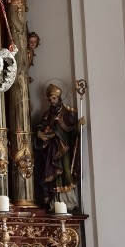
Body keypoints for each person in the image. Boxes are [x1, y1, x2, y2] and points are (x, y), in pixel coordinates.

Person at [35, 82, 81, 210]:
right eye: (50, 99)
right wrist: (39, 134)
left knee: (65, 171)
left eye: (54, 98)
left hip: (63, 148)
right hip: (50, 149)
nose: (52, 101)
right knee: (52, 174)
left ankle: (68, 201)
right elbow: (40, 126)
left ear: (59, 98)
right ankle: (55, 201)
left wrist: (78, 126)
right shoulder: (47, 114)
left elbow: (72, 132)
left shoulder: (67, 113)